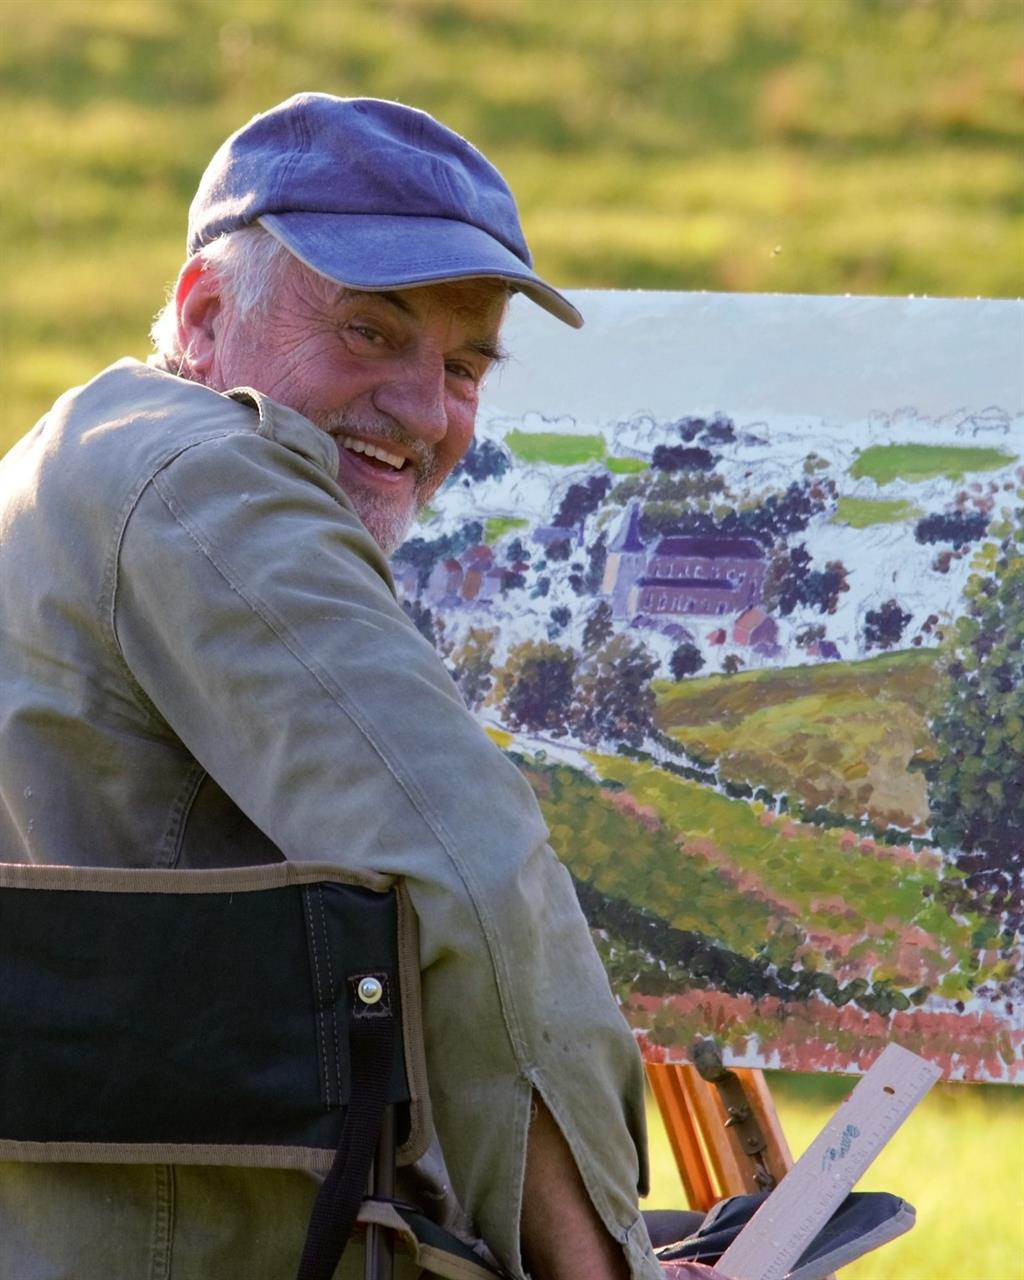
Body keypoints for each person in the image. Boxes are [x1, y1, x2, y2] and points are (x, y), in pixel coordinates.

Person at [0, 94, 728, 1280]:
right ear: (205, 313)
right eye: (371, 332)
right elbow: (469, 879)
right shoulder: (209, 482)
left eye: (465, 364)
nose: (427, 410)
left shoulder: (65, 462)